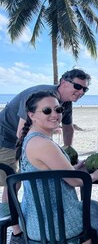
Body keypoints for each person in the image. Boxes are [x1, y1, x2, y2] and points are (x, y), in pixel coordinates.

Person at [0, 68, 91, 242]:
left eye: (84, 89)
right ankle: (16, 228)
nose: (81, 92)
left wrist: (66, 152)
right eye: (78, 86)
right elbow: (22, 133)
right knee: (13, 181)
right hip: (5, 136)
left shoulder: (64, 103)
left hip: (31, 138)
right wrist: (45, 153)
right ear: (63, 82)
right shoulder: (40, 96)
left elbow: (68, 128)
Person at [15, 91, 98, 243]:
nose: (55, 114)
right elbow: (74, 181)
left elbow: (53, 172)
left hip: (36, 219)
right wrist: (96, 175)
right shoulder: (42, 143)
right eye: (47, 110)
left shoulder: (33, 137)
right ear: (32, 115)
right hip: (52, 223)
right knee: (92, 207)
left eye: (58, 109)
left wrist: (74, 168)